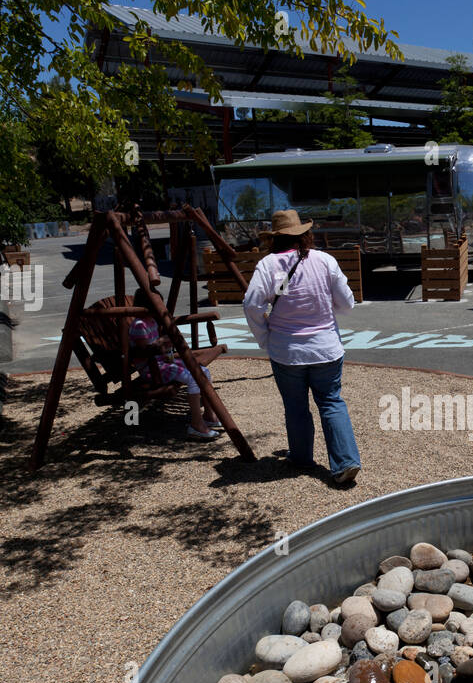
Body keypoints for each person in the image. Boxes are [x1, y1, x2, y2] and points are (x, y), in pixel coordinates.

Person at [243, 208, 361, 485]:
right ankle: (345, 462)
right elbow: (346, 304)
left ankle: (301, 458)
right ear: (304, 234)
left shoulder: (268, 265)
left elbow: (251, 304)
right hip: (326, 347)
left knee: (295, 407)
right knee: (331, 402)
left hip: (286, 350)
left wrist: (265, 338)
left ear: (274, 238)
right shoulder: (324, 261)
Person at [128, 288, 223, 440]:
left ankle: (209, 415)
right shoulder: (139, 325)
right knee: (193, 377)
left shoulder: (151, 321)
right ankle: (196, 425)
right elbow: (143, 352)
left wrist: (165, 344)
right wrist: (159, 344)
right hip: (151, 370)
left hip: (162, 363)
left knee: (203, 371)